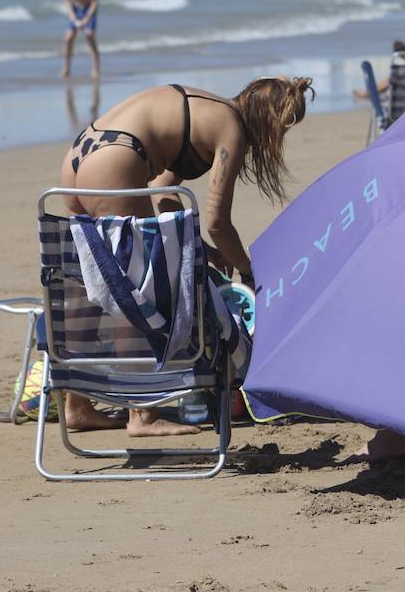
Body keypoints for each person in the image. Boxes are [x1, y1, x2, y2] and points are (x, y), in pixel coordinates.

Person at [58, 75, 314, 435]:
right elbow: (218, 222)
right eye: (283, 129)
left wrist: (201, 251)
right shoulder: (231, 127)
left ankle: (77, 407)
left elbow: (163, 193)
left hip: (80, 153)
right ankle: (141, 416)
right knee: (141, 286)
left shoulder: (204, 108)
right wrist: (247, 270)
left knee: (89, 279)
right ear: (269, 119)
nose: (280, 139)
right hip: (117, 159)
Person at [61, 0, 100, 79]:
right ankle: (66, 68)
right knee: (68, 37)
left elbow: (94, 2)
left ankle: (95, 69)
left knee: (89, 35)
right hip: (76, 9)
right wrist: (72, 16)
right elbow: (68, 0)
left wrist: (87, 18)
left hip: (88, 8)